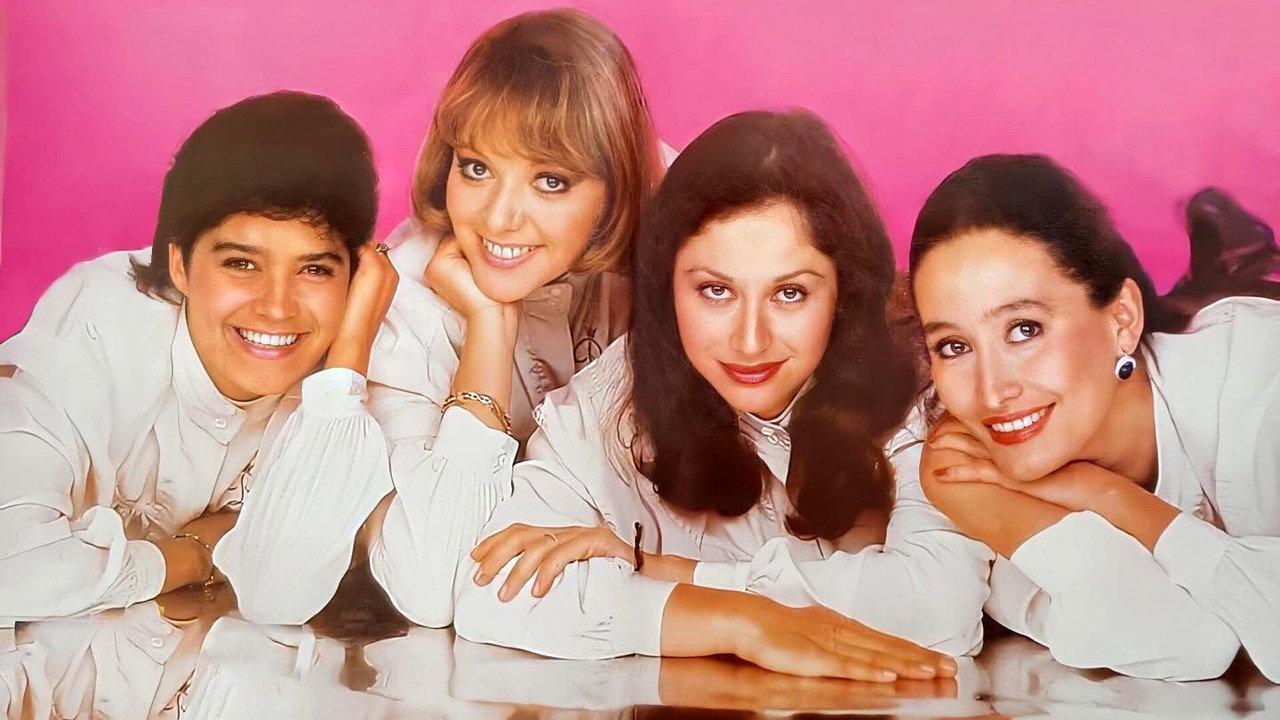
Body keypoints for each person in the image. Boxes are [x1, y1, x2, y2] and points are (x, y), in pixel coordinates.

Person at [454, 110, 992, 681]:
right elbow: (491, 591)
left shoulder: (924, 393)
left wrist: (673, 573)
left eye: (789, 293)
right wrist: (741, 623)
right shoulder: (607, 403)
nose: (750, 340)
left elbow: (940, 608)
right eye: (715, 291)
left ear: (843, 292)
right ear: (666, 285)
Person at [218, 8, 665, 626]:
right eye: (476, 168)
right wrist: (489, 327)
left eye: (550, 182)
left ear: (616, 187)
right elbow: (433, 588)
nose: (499, 218)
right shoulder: (409, 304)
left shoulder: (674, 247)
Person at [0, 91, 394, 624]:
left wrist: (345, 367)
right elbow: (12, 569)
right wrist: (192, 556)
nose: (277, 307)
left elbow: (278, 596)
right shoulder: (100, 321)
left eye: (315, 270)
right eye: (242, 264)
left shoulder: (353, 376)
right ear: (180, 265)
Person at [909, 154, 1280, 682]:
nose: (991, 393)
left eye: (1025, 329)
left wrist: (1110, 497)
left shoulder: (1259, 391)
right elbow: (1193, 645)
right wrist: (969, 497)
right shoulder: (971, 474)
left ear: (1122, 319)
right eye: (954, 346)